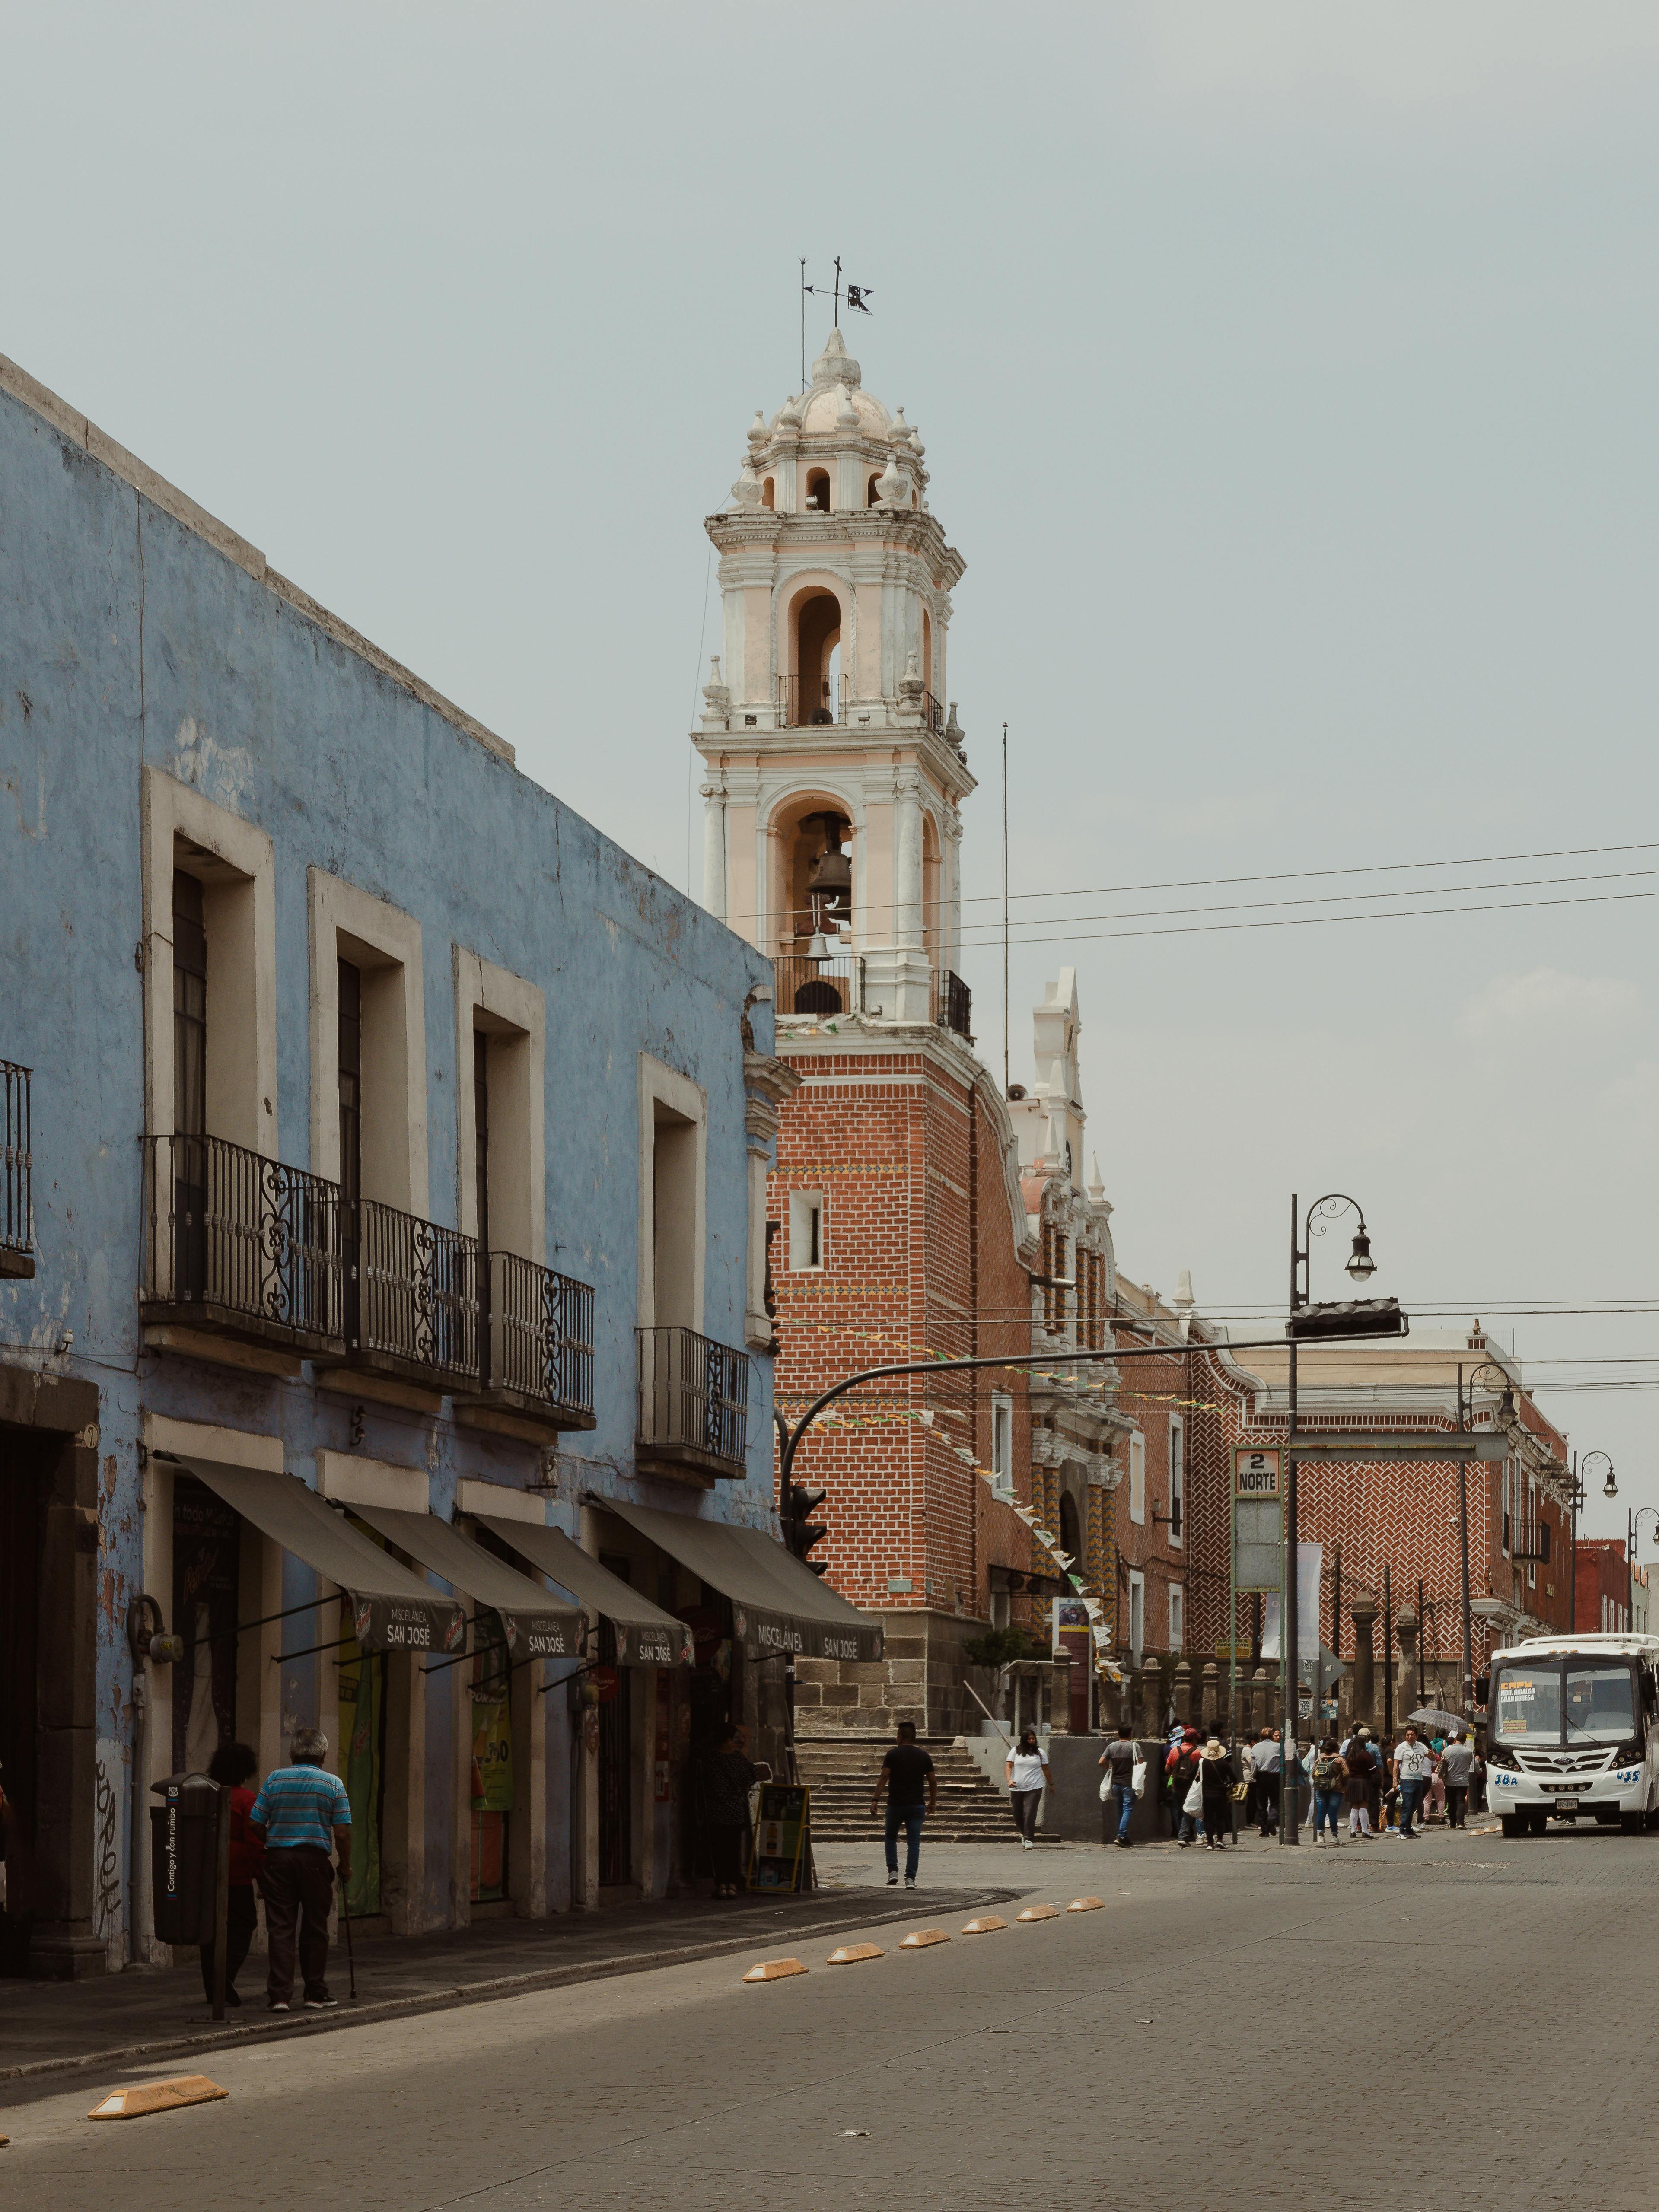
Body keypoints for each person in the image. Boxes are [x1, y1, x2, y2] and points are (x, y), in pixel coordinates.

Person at [248, 1727, 351, 2012]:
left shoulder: (274, 1779)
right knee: (316, 1928)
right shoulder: (334, 1784)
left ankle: (280, 1996)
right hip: (316, 1862)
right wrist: (346, 1865)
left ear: (292, 1753)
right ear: (324, 1754)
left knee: (280, 1927)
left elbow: (255, 1823)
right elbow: (342, 1833)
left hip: (279, 1861)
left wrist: (273, 1841)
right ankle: (315, 1993)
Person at [199, 1742, 263, 2005]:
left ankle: (213, 1986)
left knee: (210, 1931)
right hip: (237, 1875)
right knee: (244, 1925)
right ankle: (225, 1977)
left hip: (206, 1872)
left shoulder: (205, 1796)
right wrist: (262, 1876)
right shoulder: (247, 1800)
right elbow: (255, 1841)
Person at [871, 1720, 937, 1888]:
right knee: (914, 1843)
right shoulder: (924, 1756)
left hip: (896, 1804)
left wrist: (875, 1800)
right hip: (916, 1805)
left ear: (900, 1738)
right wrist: (932, 1803)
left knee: (891, 1838)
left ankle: (893, 1871)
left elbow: (884, 1777)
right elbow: (933, 1781)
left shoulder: (892, 1755)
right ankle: (910, 1879)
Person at [701, 1723, 758, 1898]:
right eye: (734, 1739)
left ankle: (722, 1885)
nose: (737, 1743)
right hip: (734, 1811)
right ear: (727, 1740)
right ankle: (732, 1884)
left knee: (719, 1850)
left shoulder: (709, 1759)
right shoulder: (738, 1759)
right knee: (733, 1850)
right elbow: (751, 1776)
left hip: (716, 1811)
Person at [1005, 1728, 1051, 1850]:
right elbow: (1009, 1766)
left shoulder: (1040, 1752)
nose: (1032, 1741)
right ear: (1024, 1740)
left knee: (1030, 1813)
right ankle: (1024, 1834)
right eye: (1029, 1739)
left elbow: (1046, 1769)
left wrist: (1051, 1784)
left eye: (1033, 1739)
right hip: (1017, 1788)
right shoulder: (1015, 1751)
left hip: (1035, 1787)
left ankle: (1029, 1839)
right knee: (1017, 1814)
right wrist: (1009, 1780)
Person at [1391, 1723, 1436, 1840]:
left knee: (1414, 1805)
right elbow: (1396, 1766)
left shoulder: (1421, 1746)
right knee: (1407, 1804)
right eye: (1408, 1735)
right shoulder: (1402, 1747)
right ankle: (1402, 1830)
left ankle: (1409, 1828)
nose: (1409, 1737)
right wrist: (1395, 1781)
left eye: (1412, 1735)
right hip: (1407, 1779)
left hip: (1419, 1779)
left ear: (1416, 1736)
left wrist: (1432, 1755)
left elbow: (1432, 1758)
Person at [1098, 1723, 1138, 1848]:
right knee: (1128, 1810)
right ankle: (1121, 1835)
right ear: (1131, 1733)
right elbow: (1140, 1764)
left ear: (1118, 1733)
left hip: (1116, 1784)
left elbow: (1101, 1762)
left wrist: (1109, 1769)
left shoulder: (1112, 1746)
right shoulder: (1134, 1746)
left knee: (1121, 1810)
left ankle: (1125, 1837)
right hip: (1129, 1784)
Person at [1167, 1729, 1204, 1846]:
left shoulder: (1174, 1751)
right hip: (1191, 1786)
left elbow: (1167, 1769)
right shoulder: (1197, 1753)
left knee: (1179, 1811)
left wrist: (1174, 1773)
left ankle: (1184, 1834)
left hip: (1176, 1785)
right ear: (1193, 1740)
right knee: (1189, 1810)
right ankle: (1184, 1836)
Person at [1198, 1737, 1235, 1850]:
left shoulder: (1202, 1763)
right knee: (1220, 1817)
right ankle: (1220, 1840)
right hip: (1221, 1794)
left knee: (1208, 1818)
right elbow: (1234, 1779)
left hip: (1206, 1794)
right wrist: (1228, 1785)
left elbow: (1193, 1776)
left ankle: (1210, 1843)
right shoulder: (1224, 1763)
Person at [1310, 1737, 1347, 1844]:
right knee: (1333, 1813)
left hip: (1320, 1789)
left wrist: (1320, 1782)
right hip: (1336, 1789)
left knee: (1321, 1812)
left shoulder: (1320, 1758)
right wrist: (1343, 1784)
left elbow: (1313, 1774)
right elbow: (1347, 1773)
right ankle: (1335, 1836)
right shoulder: (1340, 1760)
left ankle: (1321, 1836)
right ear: (1336, 1748)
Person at [1438, 1728, 1475, 1830]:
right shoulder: (1469, 1752)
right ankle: (1461, 1823)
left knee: (1451, 1802)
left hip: (1450, 1780)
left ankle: (1453, 1823)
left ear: (1456, 1739)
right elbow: (1468, 1764)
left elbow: (1443, 1764)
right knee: (1461, 1801)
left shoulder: (1447, 1750)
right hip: (1463, 1781)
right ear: (1465, 1741)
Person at [1344, 1729, 1377, 1839]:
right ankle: (1365, 1831)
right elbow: (1373, 1769)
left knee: (1354, 1806)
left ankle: (1353, 1831)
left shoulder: (1351, 1755)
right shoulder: (1365, 1754)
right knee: (1363, 1806)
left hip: (1352, 1781)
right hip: (1364, 1781)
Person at [1249, 1729, 1282, 1838]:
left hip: (1261, 1776)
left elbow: (1253, 1765)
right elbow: (1284, 1763)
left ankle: (1265, 1830)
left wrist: (1254, 1775)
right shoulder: (1278, 1747)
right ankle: (1272, 1818)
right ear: (1272, 1736)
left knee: (1261, 1804)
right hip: (1274, 1776)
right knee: (1275, 1801)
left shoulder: (1256, 1747)